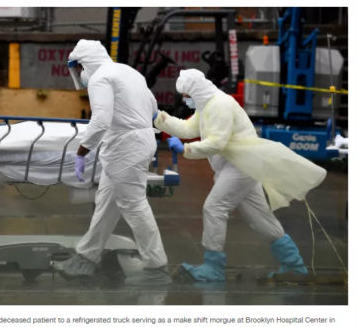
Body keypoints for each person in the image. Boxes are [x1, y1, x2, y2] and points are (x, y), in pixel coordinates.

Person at [154, 69, 326, 282]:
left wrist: (186, 149)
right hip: (241, 166)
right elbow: (188, 128)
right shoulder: (206, 105)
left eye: (187, 96)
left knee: (214, 208)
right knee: (260, 218)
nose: (185, 100)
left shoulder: (220, 104)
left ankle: (213, 267)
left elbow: (217, 143)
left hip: (239, 167)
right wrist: (159, 118)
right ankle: (294, 265)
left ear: (196, 91)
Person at [57, 39, 171, 285]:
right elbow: (153, 109)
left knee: (134, 205)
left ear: (85, 63)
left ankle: (157, 268)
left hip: (126, 147)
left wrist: (81, 152)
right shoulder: (129, 72)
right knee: (106, 204)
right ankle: (86, 258)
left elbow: (100, 120)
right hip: (139, 141)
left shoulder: (100, 78)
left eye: (78, 68)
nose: (79, 74)